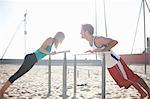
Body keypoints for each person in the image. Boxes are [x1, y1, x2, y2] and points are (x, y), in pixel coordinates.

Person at [80, 24, 150, 99]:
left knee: (131, 76)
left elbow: (114, 42)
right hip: (109, 65)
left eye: (81, 31)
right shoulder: (90, 42)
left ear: (87, 32)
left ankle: (149, 92)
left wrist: (102, 50)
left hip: (115, 62)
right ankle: (142, 93)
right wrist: (93, 51)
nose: (80, 33)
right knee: (125, 80)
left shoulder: (98, 39)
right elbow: (99, 49)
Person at [0, 32, 65, 98]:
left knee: (18, 75)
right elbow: (41, 49)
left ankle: (3, 90)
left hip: (32, 60)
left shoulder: (52, 43)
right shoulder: (50, 39)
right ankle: (1, 91)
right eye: (62, 39)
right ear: (59, 37)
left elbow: (44, 52)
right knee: (17, 74)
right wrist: (49, 53)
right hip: (31, 58)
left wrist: (50, 53)